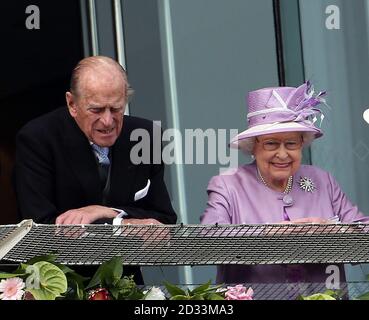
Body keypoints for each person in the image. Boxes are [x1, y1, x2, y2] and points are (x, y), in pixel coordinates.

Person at [15, 56, 177, 283]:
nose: (108, 121)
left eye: (116, 108)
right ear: (72, 104)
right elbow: (41, 228)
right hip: (62, 286)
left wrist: (105, 212)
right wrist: (121, 223)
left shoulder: (146, 135)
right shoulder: (38, 138)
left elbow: (165, 221)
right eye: (96, 110)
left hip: (127, 285)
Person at [201, 82, 369, 291]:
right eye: (271, 143)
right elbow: (208, 242)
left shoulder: (322, 180)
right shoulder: (228, 184)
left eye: (291, 144)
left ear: (301, 144)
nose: (282, 154)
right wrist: (268, 234)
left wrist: (333, 231)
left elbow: (365, 233)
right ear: (253, 146)